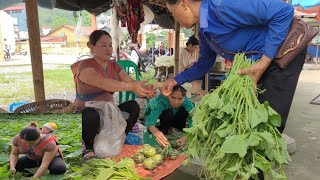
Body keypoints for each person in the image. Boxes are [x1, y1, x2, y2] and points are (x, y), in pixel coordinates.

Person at [162, 0, 307, 135]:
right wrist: (174, 81)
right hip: (253, 65)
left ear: (183, 3)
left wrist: (263, 64)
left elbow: (283, 11)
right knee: (243, 118)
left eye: (172, 12)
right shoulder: (204, 32)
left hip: (280, 55)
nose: (174, 17)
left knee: (267, 123)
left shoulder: (221, 6)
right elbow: (204, 64)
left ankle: (260, 159)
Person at [74, 30, 155, 159]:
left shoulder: (115, 66)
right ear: (92, 46)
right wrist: (132, 86)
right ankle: (89, 148)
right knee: (90, 114)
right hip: (87, 112)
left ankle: (120, 139)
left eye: (110, 45)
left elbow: (131, 82)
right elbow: (103, 83)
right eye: (103, 45)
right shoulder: (85, 66)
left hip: (108, 110)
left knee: (133, 107)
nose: (108, 49)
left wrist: (144, 89)